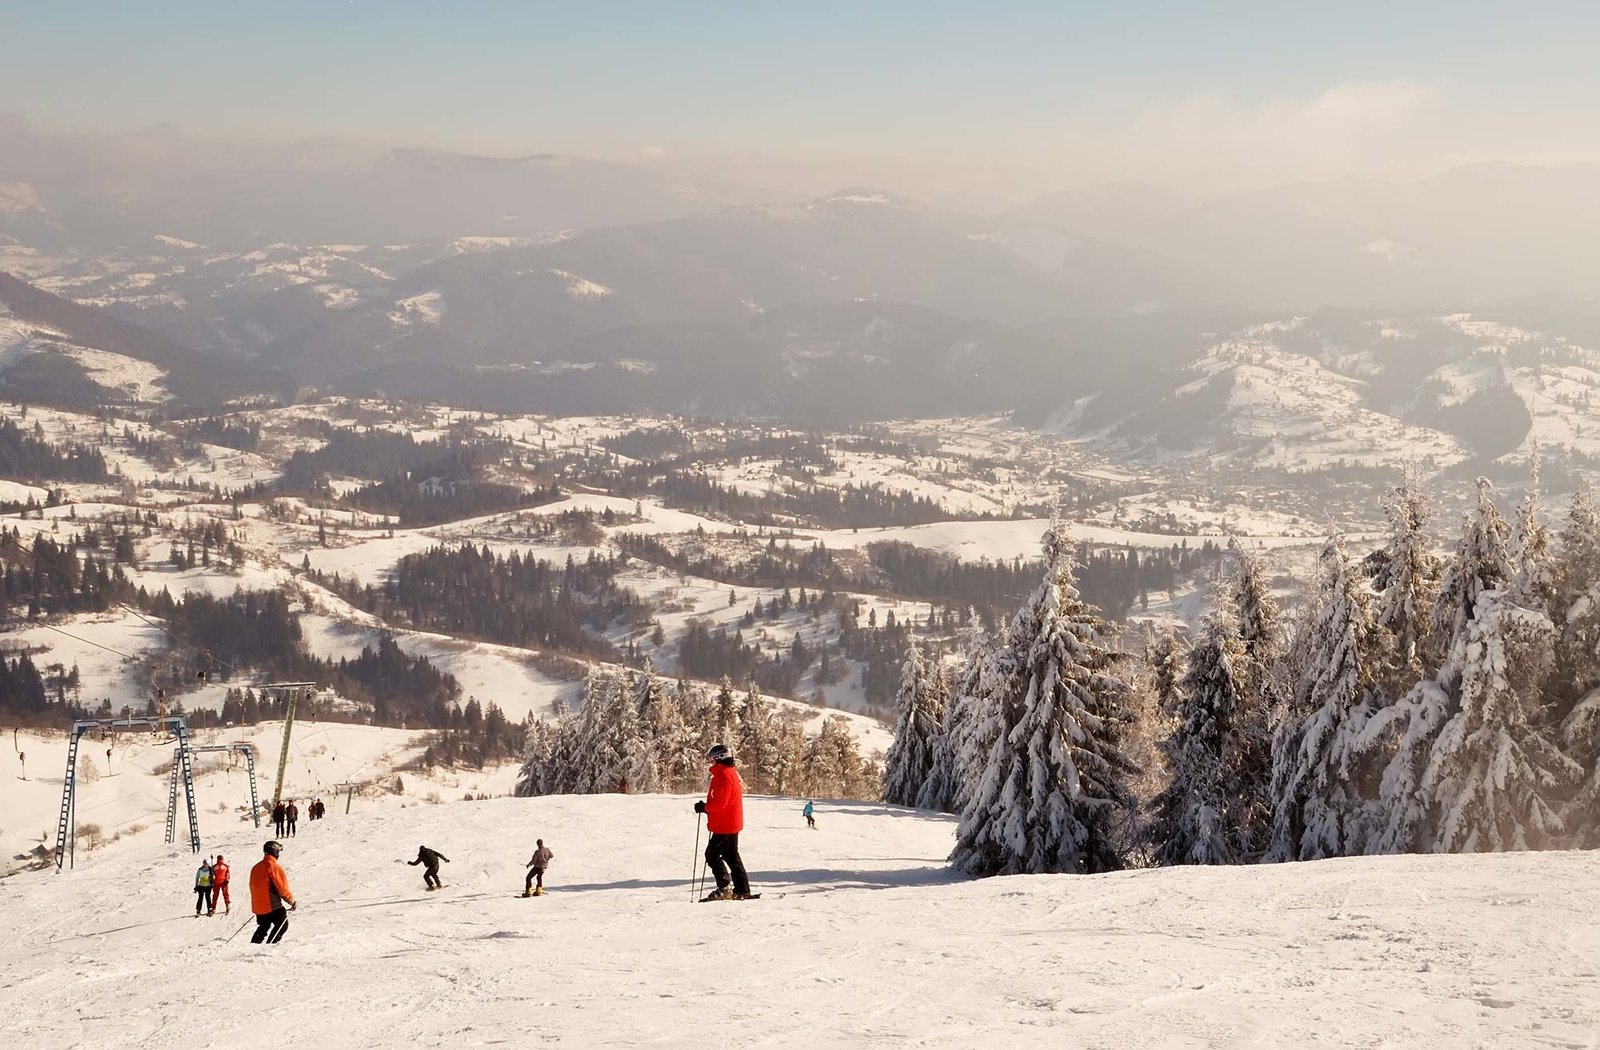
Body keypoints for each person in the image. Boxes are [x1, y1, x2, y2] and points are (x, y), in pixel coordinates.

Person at [694, 743, 751, 901]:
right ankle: (742, 889)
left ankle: (725, 887)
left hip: (726, 825)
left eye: (712, 759)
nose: (710, 763)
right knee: (731, 855)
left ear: (720, 758)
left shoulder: (725, 775)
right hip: (728, 822)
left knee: (711, 854)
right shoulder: (724, 774)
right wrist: (706, 807)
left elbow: (720, 803)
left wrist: (705, 808)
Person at [249, 840, 296, 944]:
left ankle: (254, 945)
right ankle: (270, 945)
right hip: (271, 905)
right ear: (275, 852)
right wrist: (292, 901)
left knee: (264, 926)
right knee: (282, 924)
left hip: (258, 907)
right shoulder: (274, 867)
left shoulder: (255, 868)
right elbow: (282, 889)